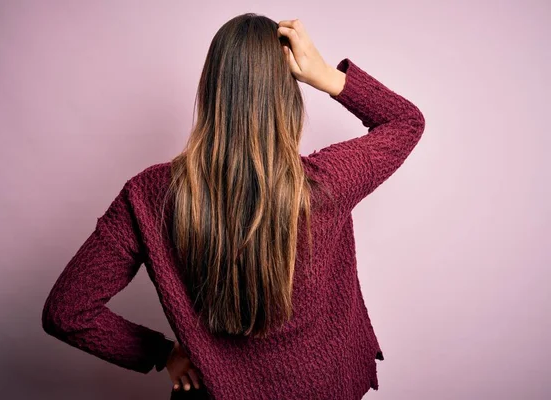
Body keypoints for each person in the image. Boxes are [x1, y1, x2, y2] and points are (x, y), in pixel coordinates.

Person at [42, 13, 425, 400]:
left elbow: (67, 312)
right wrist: (324, 74)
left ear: (210, 89)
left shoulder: (148, 195)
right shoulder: (326, 183)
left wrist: (165, 354)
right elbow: (406, 122)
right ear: (286, 94)